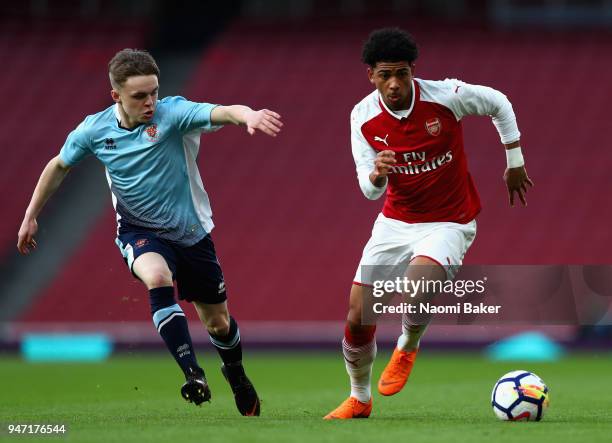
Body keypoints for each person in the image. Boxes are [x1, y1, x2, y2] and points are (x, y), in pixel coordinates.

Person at [17, 49, 283, 416]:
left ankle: (235, 373)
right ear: (116, 97)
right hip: (139, 230)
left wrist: (248, 115)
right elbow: (59, 165)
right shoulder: (94, 130)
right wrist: (31, 215)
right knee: (156, 276)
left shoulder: (172, 113)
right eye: (140, 96)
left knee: (218, 322)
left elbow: (222, 110)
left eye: (154, 92)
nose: (150, 102)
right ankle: (194, 374)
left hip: (192, 233)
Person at [324, 28, 533, 419]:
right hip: (396, 221)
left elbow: (498, 103)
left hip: (449, 221)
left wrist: (514, 160)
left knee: (417, 285)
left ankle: (407, 343)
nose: (394, 84)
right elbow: (368, 192)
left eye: (401, 73)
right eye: (385, 75)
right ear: (370, 75)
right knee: (357, 314)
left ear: (412, 71)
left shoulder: (446, 95)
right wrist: (377, 175)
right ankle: (359, 398)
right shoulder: (362, 117)